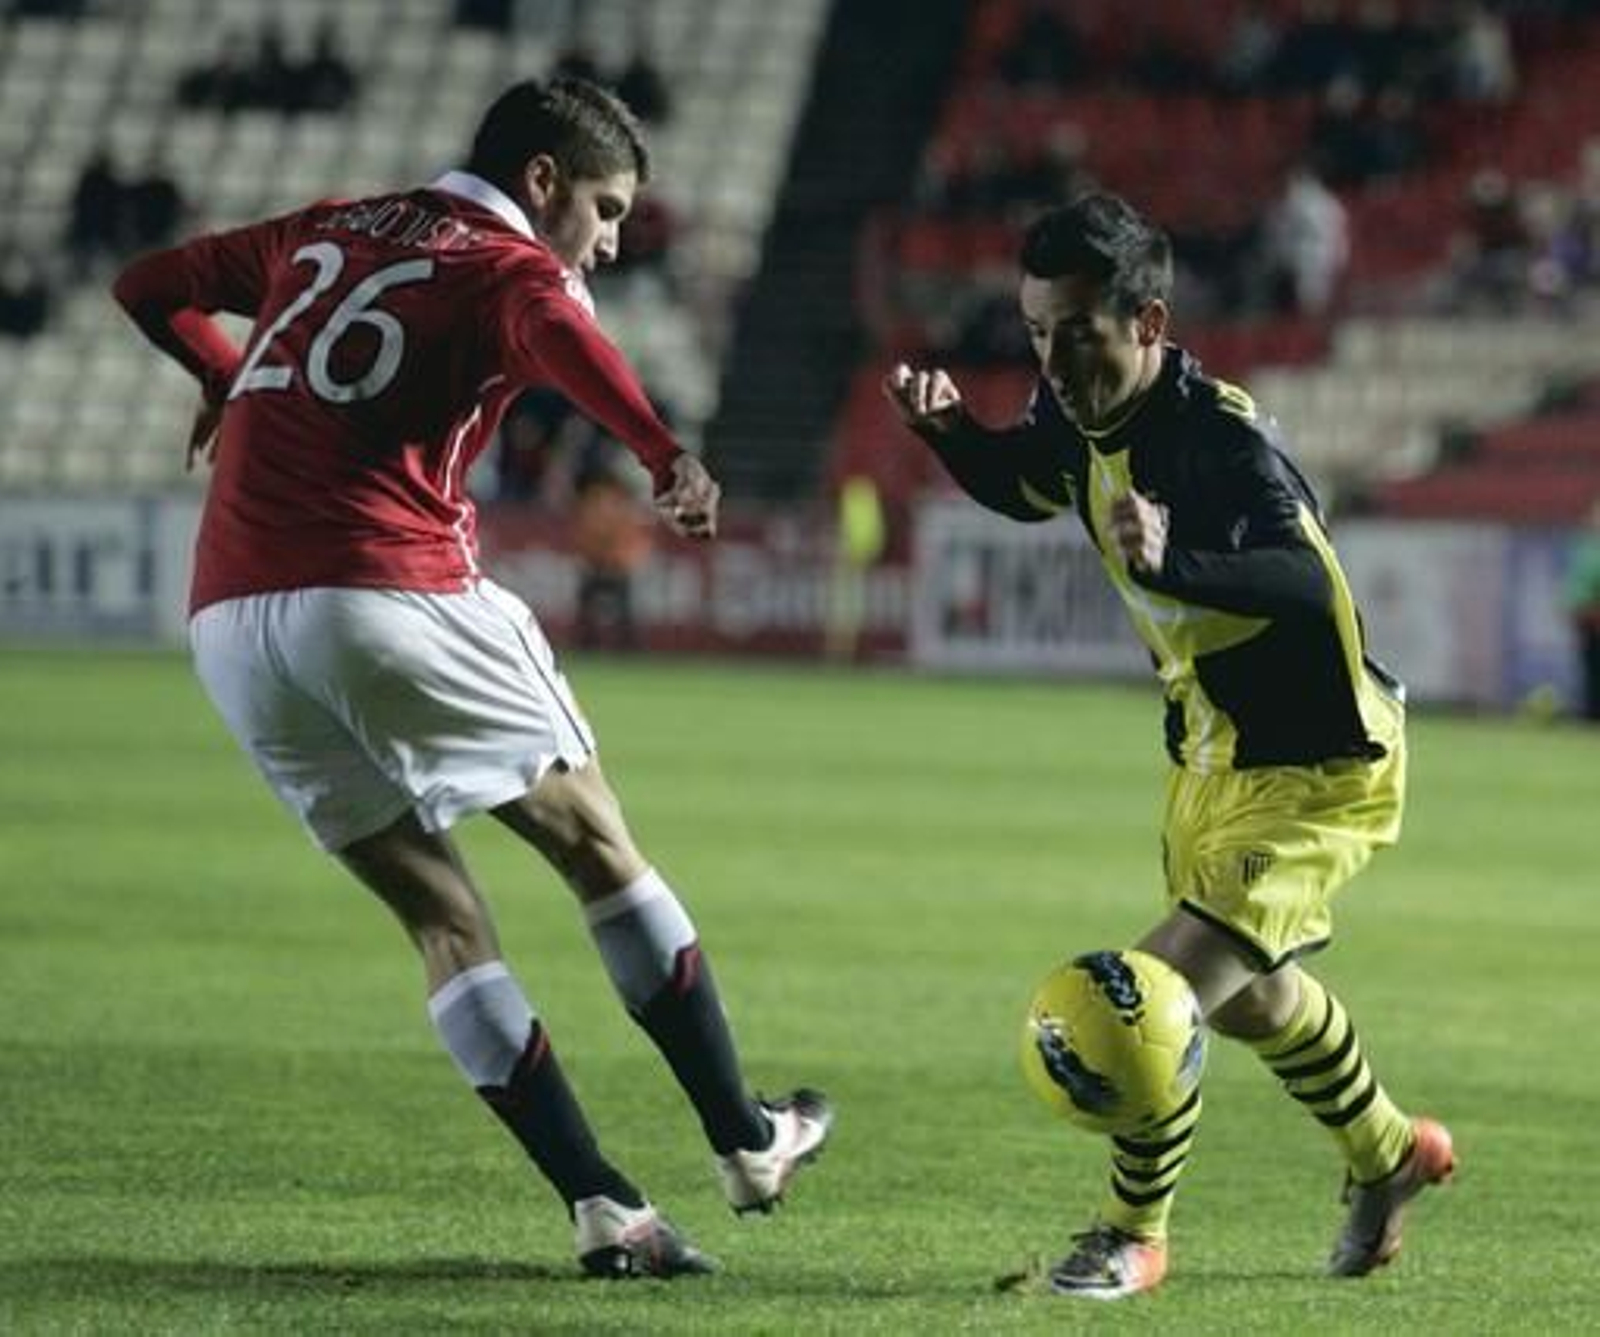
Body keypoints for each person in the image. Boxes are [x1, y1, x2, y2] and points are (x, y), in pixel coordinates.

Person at [111, 75, 831, 1280]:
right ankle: (748, 1139)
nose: (607, 240)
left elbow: (149, 285)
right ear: (540, 180)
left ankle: (606, 1206)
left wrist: (224, 373)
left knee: (440, 916)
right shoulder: (512, 268)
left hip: (233, 620)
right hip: (389, 590)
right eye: (603, 208)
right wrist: (663, 452)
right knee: (596, 844)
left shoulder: (328, 226)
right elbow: (561, 334)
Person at [882, 193, 1452, 1300]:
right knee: (1250, 997)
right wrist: (951, 432)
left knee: (1151, 990)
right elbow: (1023, 483)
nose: (1050, 359)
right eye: (1036, 331)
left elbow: (1305, 579)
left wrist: (1176, 556)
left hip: (1317, 768)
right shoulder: (1080, 415)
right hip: (1210, 763)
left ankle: (1130, 1233)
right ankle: (1390, 1155)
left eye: (1077, 331)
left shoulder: (1216, 440)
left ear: (1146, 323)